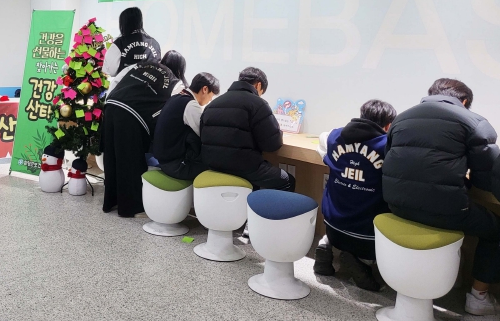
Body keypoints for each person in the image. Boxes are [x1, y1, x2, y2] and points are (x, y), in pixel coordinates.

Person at [383, 79, 500, 316]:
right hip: (445, 211)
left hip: (396, 205)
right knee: (495, 230)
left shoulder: (402, 118)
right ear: (464, 102)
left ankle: (450, 273)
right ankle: (479, 297)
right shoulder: (475, 122)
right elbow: (485, 179)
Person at [313, 99, 397, 291]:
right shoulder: (389, 146)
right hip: (367, 235)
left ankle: (326, 244)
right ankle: (362, 261)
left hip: (333, 225)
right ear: (388, 126)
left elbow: (322, 147)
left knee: (342, 194)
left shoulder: (332, 137)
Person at [103, 61, 178, 217]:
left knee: (111, 157)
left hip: (111, 105)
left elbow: (116, 81)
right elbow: (172, 109)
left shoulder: (142, 65)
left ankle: (111, 201)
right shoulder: (173, 81)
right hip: (131, 115)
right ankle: (131, 208)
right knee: (130, 161)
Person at [201, 67, 294, 191]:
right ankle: (258, 204)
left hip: (212, 165)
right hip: (243, 168)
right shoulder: (258, 104)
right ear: (258, 85)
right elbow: (272, 145)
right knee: (287, 180)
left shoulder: (212, 104)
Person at [153, 72, 220, 180]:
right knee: (217, 168)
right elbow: (206, 134)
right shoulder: (190, 105)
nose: (210, 100)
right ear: (205, 89)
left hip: (164, 160)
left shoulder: (175, 98)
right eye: (211, 96)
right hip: (176, 165)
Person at [102, 7, 161, 77]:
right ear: (140, 22)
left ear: (123, 23)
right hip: (150, 83)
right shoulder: (154, 43)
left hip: (126, 83)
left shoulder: (119, 43)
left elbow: (110, 71)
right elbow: (159, 69)